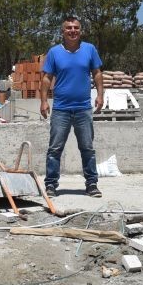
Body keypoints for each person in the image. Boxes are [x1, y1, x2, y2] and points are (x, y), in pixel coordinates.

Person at [40, 14, 106, 197]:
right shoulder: (54, 52)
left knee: (87, 148)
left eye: (76, 28)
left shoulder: (90, 49)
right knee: (54, 149)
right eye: (68, 28)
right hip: (61, 109)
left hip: (83, 108)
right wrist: (44, 101)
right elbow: (46, 78)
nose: (72, 31)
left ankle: (92, 184)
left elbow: (97, 73)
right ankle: (51, 185)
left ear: (80, 31)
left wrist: (100, 95)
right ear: (62, 32)